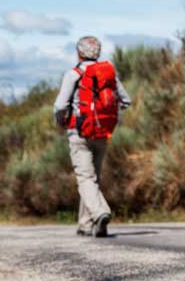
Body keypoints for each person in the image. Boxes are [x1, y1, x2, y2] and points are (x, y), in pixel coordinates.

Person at [53, 36, 131, 238]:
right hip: (103, 132)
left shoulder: (74, 74)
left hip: (79, 132)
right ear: (98, 52)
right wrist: (108, 116)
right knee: (92, 178)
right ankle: (85, 224)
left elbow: (60, 106)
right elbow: (126, 100)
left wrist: (61, 121)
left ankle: (100, 213)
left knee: (85, 178)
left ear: (79, 53)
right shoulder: (108, 74)